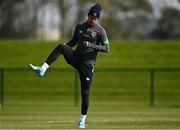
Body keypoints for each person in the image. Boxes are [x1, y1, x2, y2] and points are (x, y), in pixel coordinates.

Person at [29, 3, 109, 129]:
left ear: (98, 19)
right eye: (92, 17)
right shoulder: (79, 27)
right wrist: (66, 46)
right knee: (61, 46)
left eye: (96, 18)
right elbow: (73, 42)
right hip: (76, 58)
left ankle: (82, 120)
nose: (93, 20)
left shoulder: (100, 31)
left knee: (85, 93)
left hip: (87, 66)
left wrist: (92, 46)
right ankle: (42, 69)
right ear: (88, 15)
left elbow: (106, 48)